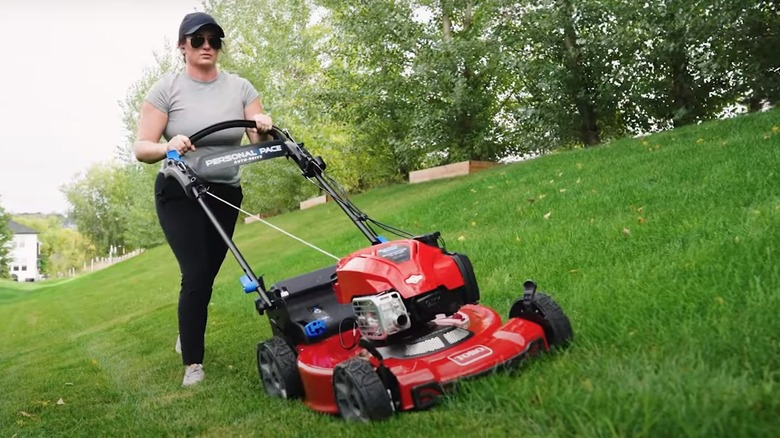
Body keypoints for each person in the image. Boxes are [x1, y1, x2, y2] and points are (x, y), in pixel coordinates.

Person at [132, 12, 273, 386]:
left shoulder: (241, 88)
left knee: (206, 275)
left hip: (225, 191)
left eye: (213, 39)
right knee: (195, 273)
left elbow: (259, 142)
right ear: (182, 47)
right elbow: (141, 148)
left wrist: (263, 126)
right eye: (198, 40)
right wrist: (167, 146)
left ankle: (187, 325)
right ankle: (193, 362)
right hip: (179, 191)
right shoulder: (165, 90)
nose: (207, 45)